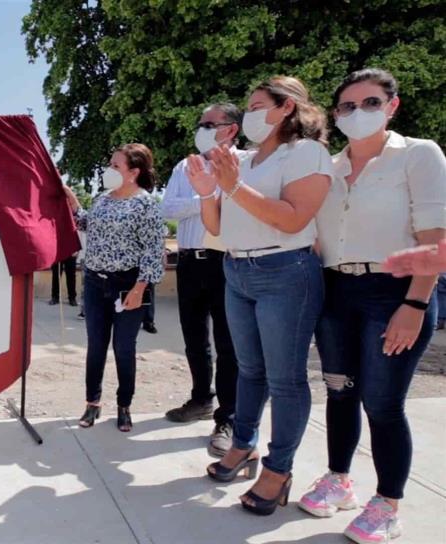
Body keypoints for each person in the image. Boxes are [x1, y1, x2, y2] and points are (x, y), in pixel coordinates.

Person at [298, 69, 446, 544]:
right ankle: (339, 479)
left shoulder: (418, 155)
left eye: (370, 102)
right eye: (347, 106)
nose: (357, 112)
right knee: (339, 392)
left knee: (382, 403)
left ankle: (387, 504)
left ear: (392, 105)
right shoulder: (329, 166)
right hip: (337, 293)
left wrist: (416, 303)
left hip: (394, 293)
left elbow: (436, 239)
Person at [188, 76, 331, 516]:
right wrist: (207, 191)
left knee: (285, 379)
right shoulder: (243, 161)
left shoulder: (307, 153)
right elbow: (216, 226)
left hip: (285, 271)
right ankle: (244, 445)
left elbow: (291, 220)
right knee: (249, 369)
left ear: (285, 107)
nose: (246, 115)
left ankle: (279, 468)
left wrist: (229, 186)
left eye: (255, 106)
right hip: (237, 268)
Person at [64, 143, 165, 432]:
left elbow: (152, 250)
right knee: (96, 346)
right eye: (110, 164)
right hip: (95, 282)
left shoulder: (146, 204)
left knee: (124, 348)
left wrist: (140, 288)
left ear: (133, 172)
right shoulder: (102, 199)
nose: (109, 170)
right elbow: (86, 224)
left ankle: (124, 406)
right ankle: (92, 403)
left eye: (115, 166)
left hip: (128, 285)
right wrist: (71, 199)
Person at [160, 103, 241, 458]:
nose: (203, 128)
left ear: (231, 130)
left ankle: (229, 417)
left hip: (227, 261)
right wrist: (208, 196)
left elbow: (235, 206)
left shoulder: (245, 163)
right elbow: (167, 209)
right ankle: (200, 399)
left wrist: (197, 198)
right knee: (194, 338)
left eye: (211, 123)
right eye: (201, 123)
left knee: (228, 344)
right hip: (190, 260)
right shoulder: (185, 165)